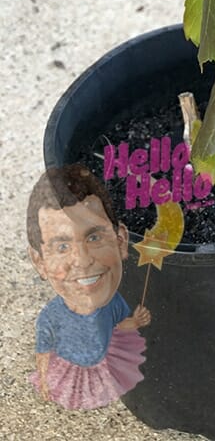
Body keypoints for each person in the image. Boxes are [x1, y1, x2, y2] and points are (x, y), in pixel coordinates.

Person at [26, 163, 151, 410]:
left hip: (99, 363)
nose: (83, 261)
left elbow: (117, 325)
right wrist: (43, 377)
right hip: (70, 367)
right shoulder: (51, 317)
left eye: (94, 237)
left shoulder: (114, 301)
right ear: (39, 262)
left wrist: (134, 322)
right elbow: (43, 350)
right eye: (62, 247)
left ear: (121, 241)